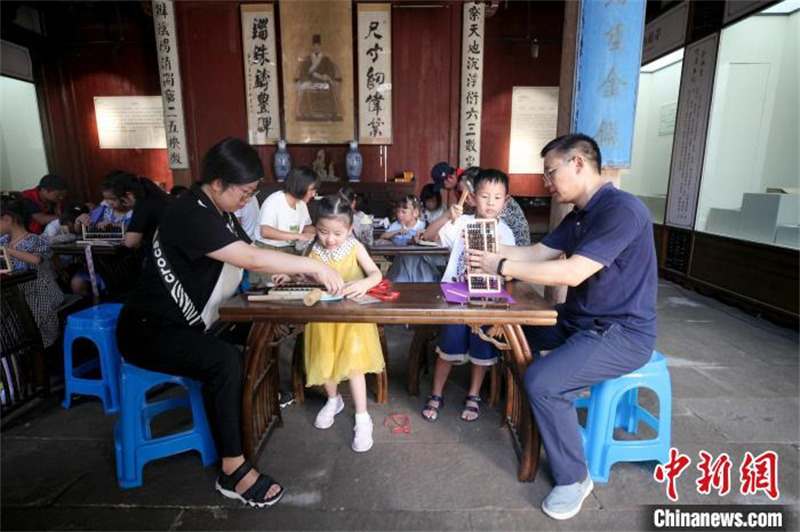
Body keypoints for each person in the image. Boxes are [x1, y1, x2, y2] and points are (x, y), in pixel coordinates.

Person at [116, 137, 346, 508]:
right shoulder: (189, 212)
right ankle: (233, 469)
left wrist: (273, 278)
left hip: (185, 323)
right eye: (245, 192)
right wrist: (313, 265)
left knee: (261, 330)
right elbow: (250, 257)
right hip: (148, 330)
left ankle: (254, 414)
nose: (247, 200)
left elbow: (250, 258)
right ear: (219, 183)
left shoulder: (218, 212)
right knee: (224, 361)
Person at [467, 134, 657, 520]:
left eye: (550, 173)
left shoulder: (621, 211)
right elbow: (539, 252)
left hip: (621, 333)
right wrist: (487, 251)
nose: (547, 183)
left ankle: (574, 477)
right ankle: (531, 416)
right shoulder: (581, 214)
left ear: (578, 164)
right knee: (508, 332)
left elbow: (572, 272)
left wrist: (501, 268)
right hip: (579, 321)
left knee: (544, 381)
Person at [276, 194, 384, 452]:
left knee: (354, 365)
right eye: (323, 232)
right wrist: (287, 275)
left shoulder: (356, 247)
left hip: (352, 320)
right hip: (322, 319)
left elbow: (375, 273)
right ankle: (334, 400)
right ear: (316, 228)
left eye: (337, 233)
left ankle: (362, 416)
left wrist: (365, 283)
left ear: (350, 229)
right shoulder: (314, 249)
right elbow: (303, 273)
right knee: (324, 361)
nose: (330, 239)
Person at [421, 169, 515, 422]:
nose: (491, 203)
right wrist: (446, 217)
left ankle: (473, 394)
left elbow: (510, 270)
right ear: (473, 198)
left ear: (505, 202)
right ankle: (436, 392)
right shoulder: (462, 222)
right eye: (485, 196)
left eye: (497, 198)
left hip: (487, 299)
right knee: (448, 346)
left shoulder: (505, 233)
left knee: (482, 347)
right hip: (456, 296)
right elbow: (426, 236)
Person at [0, 198, 65, 352]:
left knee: (20, 326)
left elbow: (36, 259)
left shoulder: (36, 240)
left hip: (39, 296)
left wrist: (7, 250)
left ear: (8, 219)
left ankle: (32, 360)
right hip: (16, 296)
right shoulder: (4, 240)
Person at [434, 164, 532, 247]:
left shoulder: (497, 214)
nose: (490, 202)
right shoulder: (479, 209)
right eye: (484, 196)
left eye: (467, 193)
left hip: (516, 249)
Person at [256, 165, 318, 254]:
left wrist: (316, 232)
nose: (313, 194)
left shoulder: (301, 204)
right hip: (269, 249)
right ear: (300, 185)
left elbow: (306, 226)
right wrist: (299, 236)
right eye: (312, 190)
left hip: (290, 248)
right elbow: (265, 232)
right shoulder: (274, 201)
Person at [111, 172, 170, 252]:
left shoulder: (142, 204)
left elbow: (130, 243)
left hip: (161, 255)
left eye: (123, 201)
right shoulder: (163, 198)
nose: (126, 205)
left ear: (129, 195)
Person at [295, 34, 342, 121]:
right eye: (315, 46)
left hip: (323, 83)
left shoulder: (326, 59)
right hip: (311, 82)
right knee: (306, 88)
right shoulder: (308, 60)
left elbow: (331, 71)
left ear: (320, 47)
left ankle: (328, 113)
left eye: (318, 46)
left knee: (329, 87)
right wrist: (310, 77)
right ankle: (307, 113)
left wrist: (325, 76)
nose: (316, 47)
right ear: (313, 47)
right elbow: (303, 73)